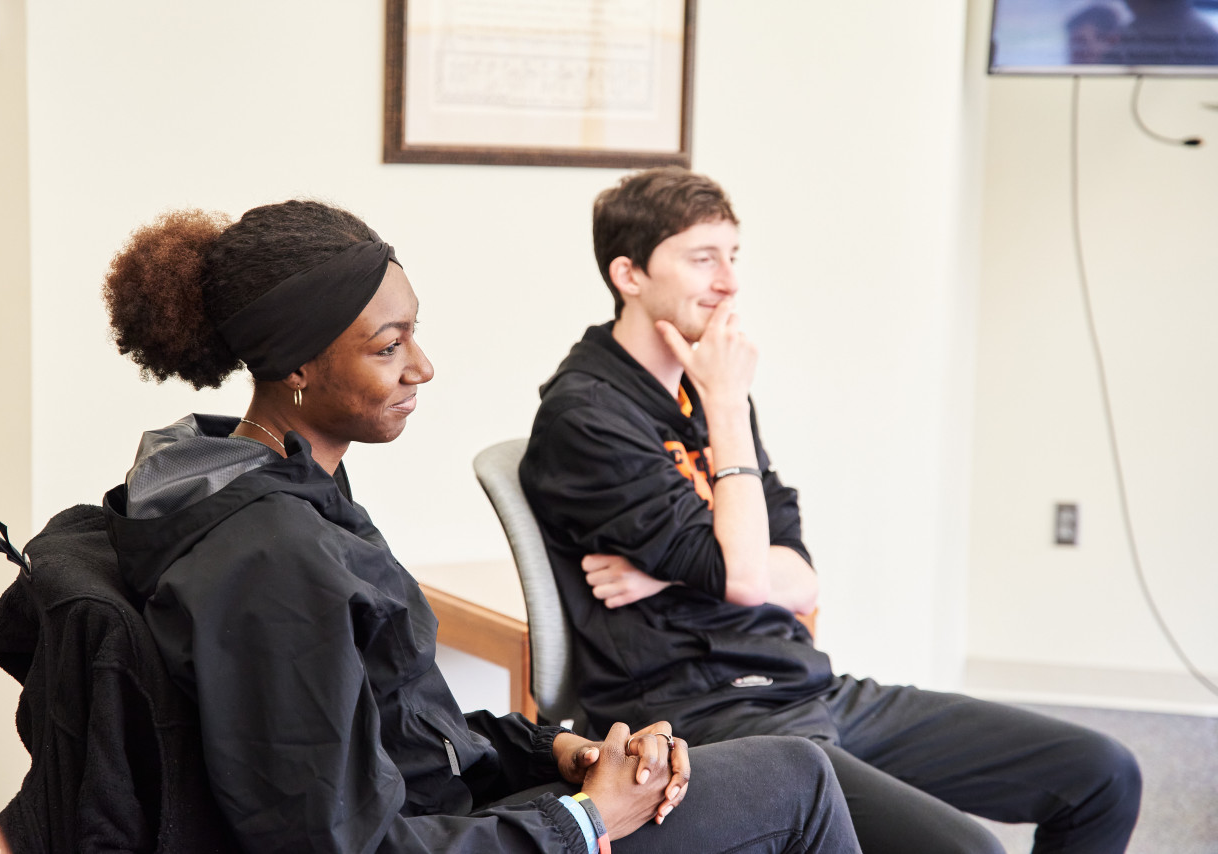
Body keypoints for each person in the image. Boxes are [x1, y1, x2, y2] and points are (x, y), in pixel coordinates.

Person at [99, 200, 862, 854]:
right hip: (462, 836)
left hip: (471, 816)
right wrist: (585, 820)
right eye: (388, 346)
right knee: (798, 782)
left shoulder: (284, 488)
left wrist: (558, 752)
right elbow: (344, 841)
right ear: (296, 366)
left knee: (792, 767)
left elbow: (403, 728)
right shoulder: (271, 556)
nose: (421, 366)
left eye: (413, 333)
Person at [518, 168, 1143, 854]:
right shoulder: (589, 414)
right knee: (969, 851)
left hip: (805, 684)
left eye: (733, 256)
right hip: (707, 714)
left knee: (1103, 774)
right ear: (629, 275)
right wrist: (728, 424)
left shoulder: (708, 395)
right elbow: (751, 580)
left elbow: (799, 576)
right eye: (702, 258)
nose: (728, 281)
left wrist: (680, 569)